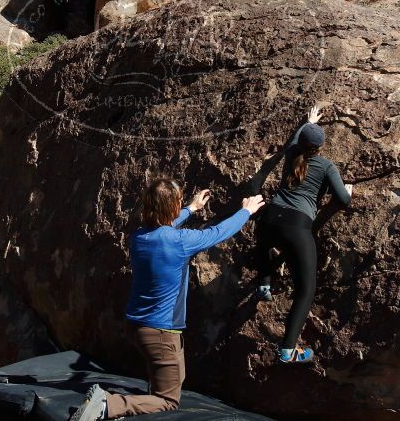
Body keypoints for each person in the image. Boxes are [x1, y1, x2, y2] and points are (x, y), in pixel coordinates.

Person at [70, 178, 265, 421]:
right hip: (160, 332)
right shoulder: (180, 242)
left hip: (137, 326)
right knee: (168, 399)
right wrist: (246, 211)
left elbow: (163, 225)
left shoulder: (139, 236)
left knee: (173, 377)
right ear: (172, 207)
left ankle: (136, 406)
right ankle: (106, 405)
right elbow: (218, 233)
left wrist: (191, 209)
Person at [254, 104, 353, 364]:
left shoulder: (291, 155)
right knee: (306, 290)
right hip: (296, 227)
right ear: (321, 146)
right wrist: (349, 192)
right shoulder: (326, 166)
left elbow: (296, 141)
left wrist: (307, 123)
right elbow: (342, 199)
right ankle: (288, 351)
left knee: (263, 242)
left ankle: (263, 284)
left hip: (270, 217)